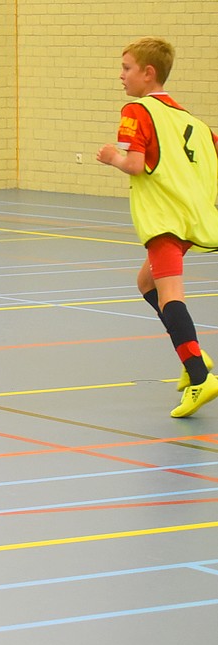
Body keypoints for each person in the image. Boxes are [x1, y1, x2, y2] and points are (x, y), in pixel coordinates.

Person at [96, 36, 218, 418]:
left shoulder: (137, 109)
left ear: (148, 73)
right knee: (145, 283)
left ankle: (199, 376)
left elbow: (134, 164)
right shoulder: (193, 122)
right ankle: (192, 353)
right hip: (190, 218)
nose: (121, 76)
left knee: (170, 295)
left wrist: (112, 157)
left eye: (126, 68)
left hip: (165, 220)